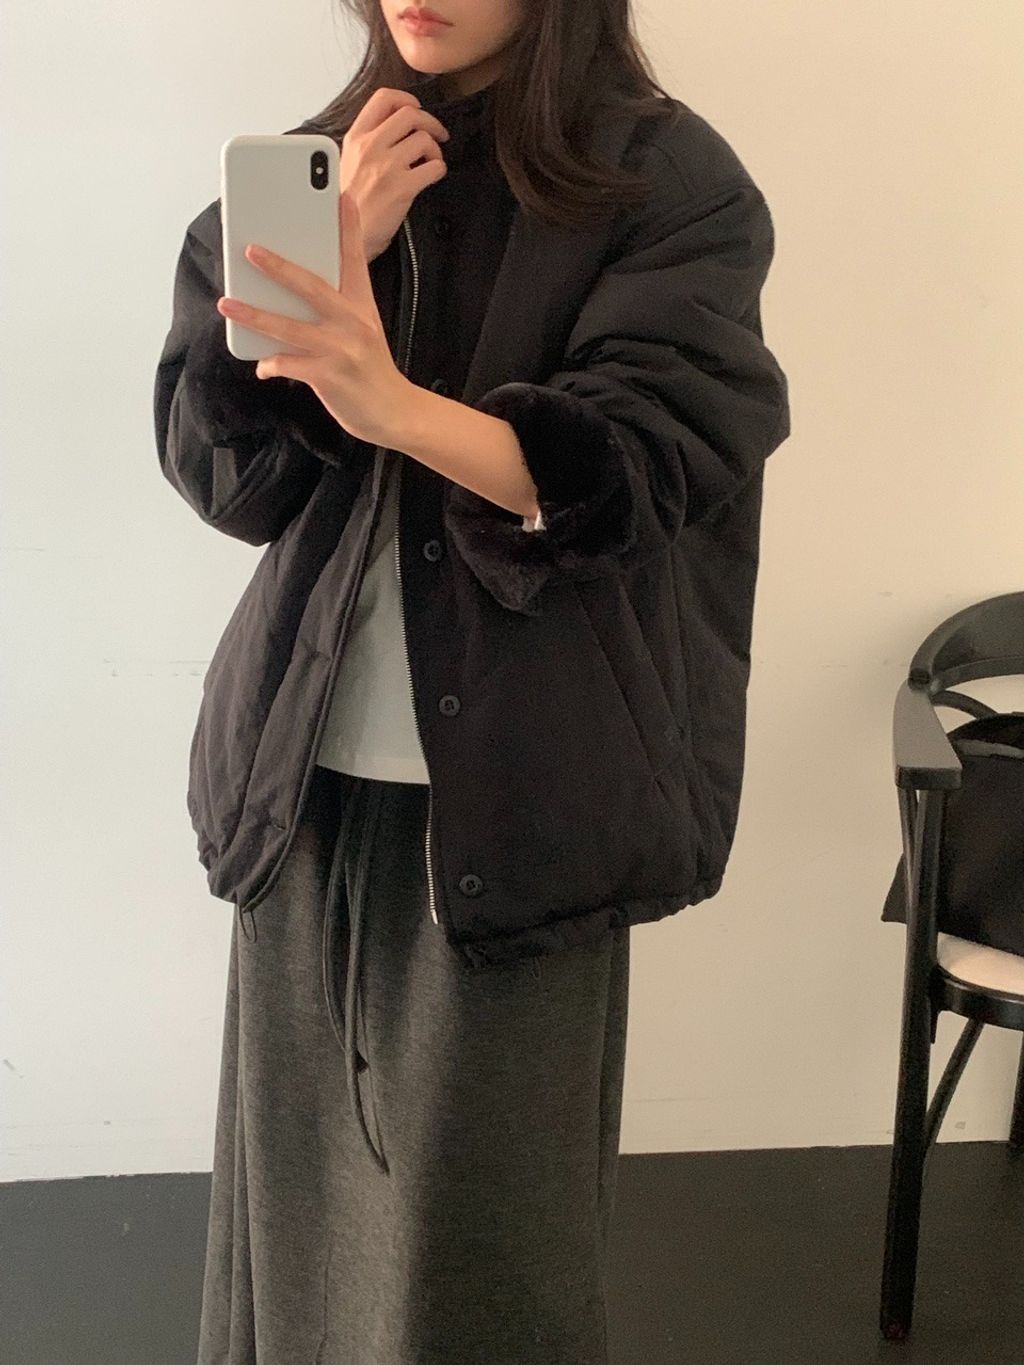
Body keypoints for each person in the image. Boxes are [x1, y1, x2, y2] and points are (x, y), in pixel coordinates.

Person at [153, 1, 790, 1360]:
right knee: (292, 1225)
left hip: (528, 792)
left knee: (481, 1255)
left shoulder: (661, 180)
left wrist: (387, 398)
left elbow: (648, 464)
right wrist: (336, 258)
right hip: (302, 781)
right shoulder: (329, 167)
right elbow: (225, 478)